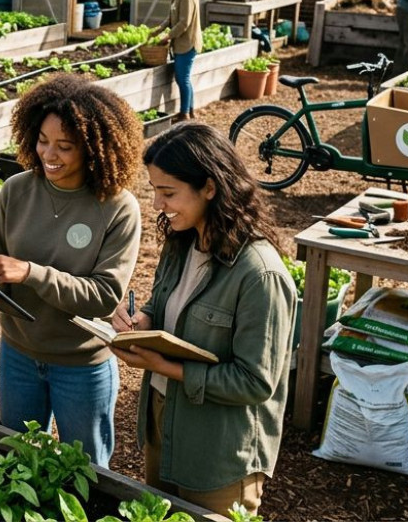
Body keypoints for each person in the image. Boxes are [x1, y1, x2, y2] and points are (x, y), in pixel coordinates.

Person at [110, 123, 296, 517]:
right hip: (164, 423)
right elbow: (163, 306)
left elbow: (255, 381)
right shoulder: (182, 243)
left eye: (168, 192)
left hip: (218, 451)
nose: (158, 204)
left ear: (210, 188)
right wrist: (141, 317)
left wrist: (166, 366)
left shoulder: (260, 275)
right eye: (155, 191)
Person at [0, 73, 143, 467]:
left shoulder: (117, 206)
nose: (49, 155)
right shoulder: (17, 190)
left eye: (65, 146)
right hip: (19, 356)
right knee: (18, 465)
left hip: (81, 364)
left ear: (94, 148)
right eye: (43, 141)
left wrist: (30, 272)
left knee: (87, 472)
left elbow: (105, 296)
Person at [149, 0, 202, 123]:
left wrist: (167, 36)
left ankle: (185, 113)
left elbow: (183, 23)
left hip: (188, 44)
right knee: (184, 78)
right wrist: (158, 30)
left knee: (182, 79)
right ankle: (190, 111)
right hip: (183, 43)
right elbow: (173, 17)